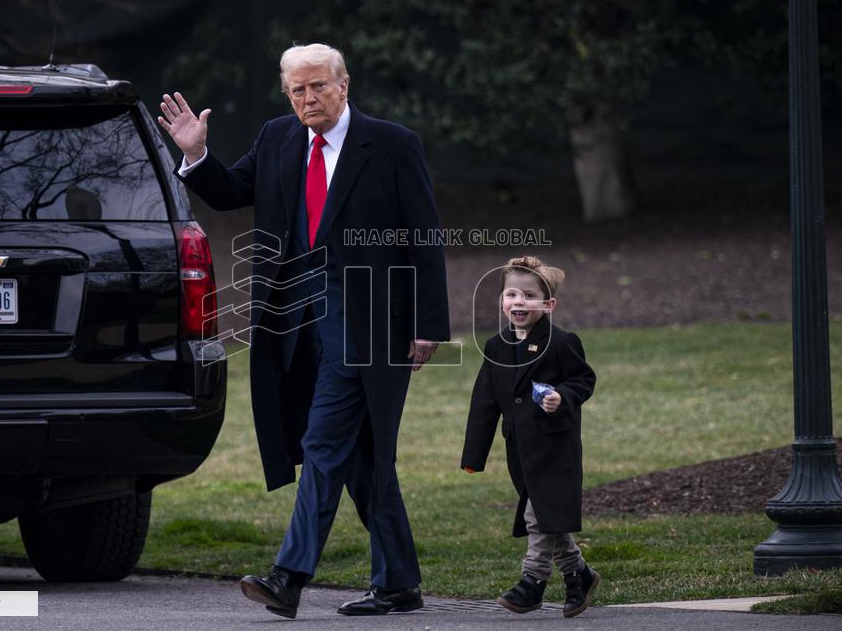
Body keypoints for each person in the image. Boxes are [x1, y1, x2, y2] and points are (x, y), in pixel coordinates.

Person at [158, 43, 449, 619]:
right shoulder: (278, 138)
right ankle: (399, 584)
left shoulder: (391, 144)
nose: (309, 98)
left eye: (319, 86)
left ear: (345, 85)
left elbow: (425, 236)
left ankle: (288, 577)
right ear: (287, 93)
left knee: (321, 443)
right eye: (298, 90)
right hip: (294, 326)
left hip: (367, 328)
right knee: (363, 458)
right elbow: (232, 192)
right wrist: (196, 155)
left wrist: (427, 323)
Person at [461, 256, 600, 618]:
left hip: (555, 448)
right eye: (511, 294)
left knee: (538, 517)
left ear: (548, 304)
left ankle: (532, 583)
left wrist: (562, 397)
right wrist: (473, 456)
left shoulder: (562, 342)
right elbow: (485, 402)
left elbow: (583, 380)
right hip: (521, 452)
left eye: (529, 295)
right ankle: (579, 575)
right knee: (549, 517)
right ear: (501, 301)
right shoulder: (496, 346)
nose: (519, 302)